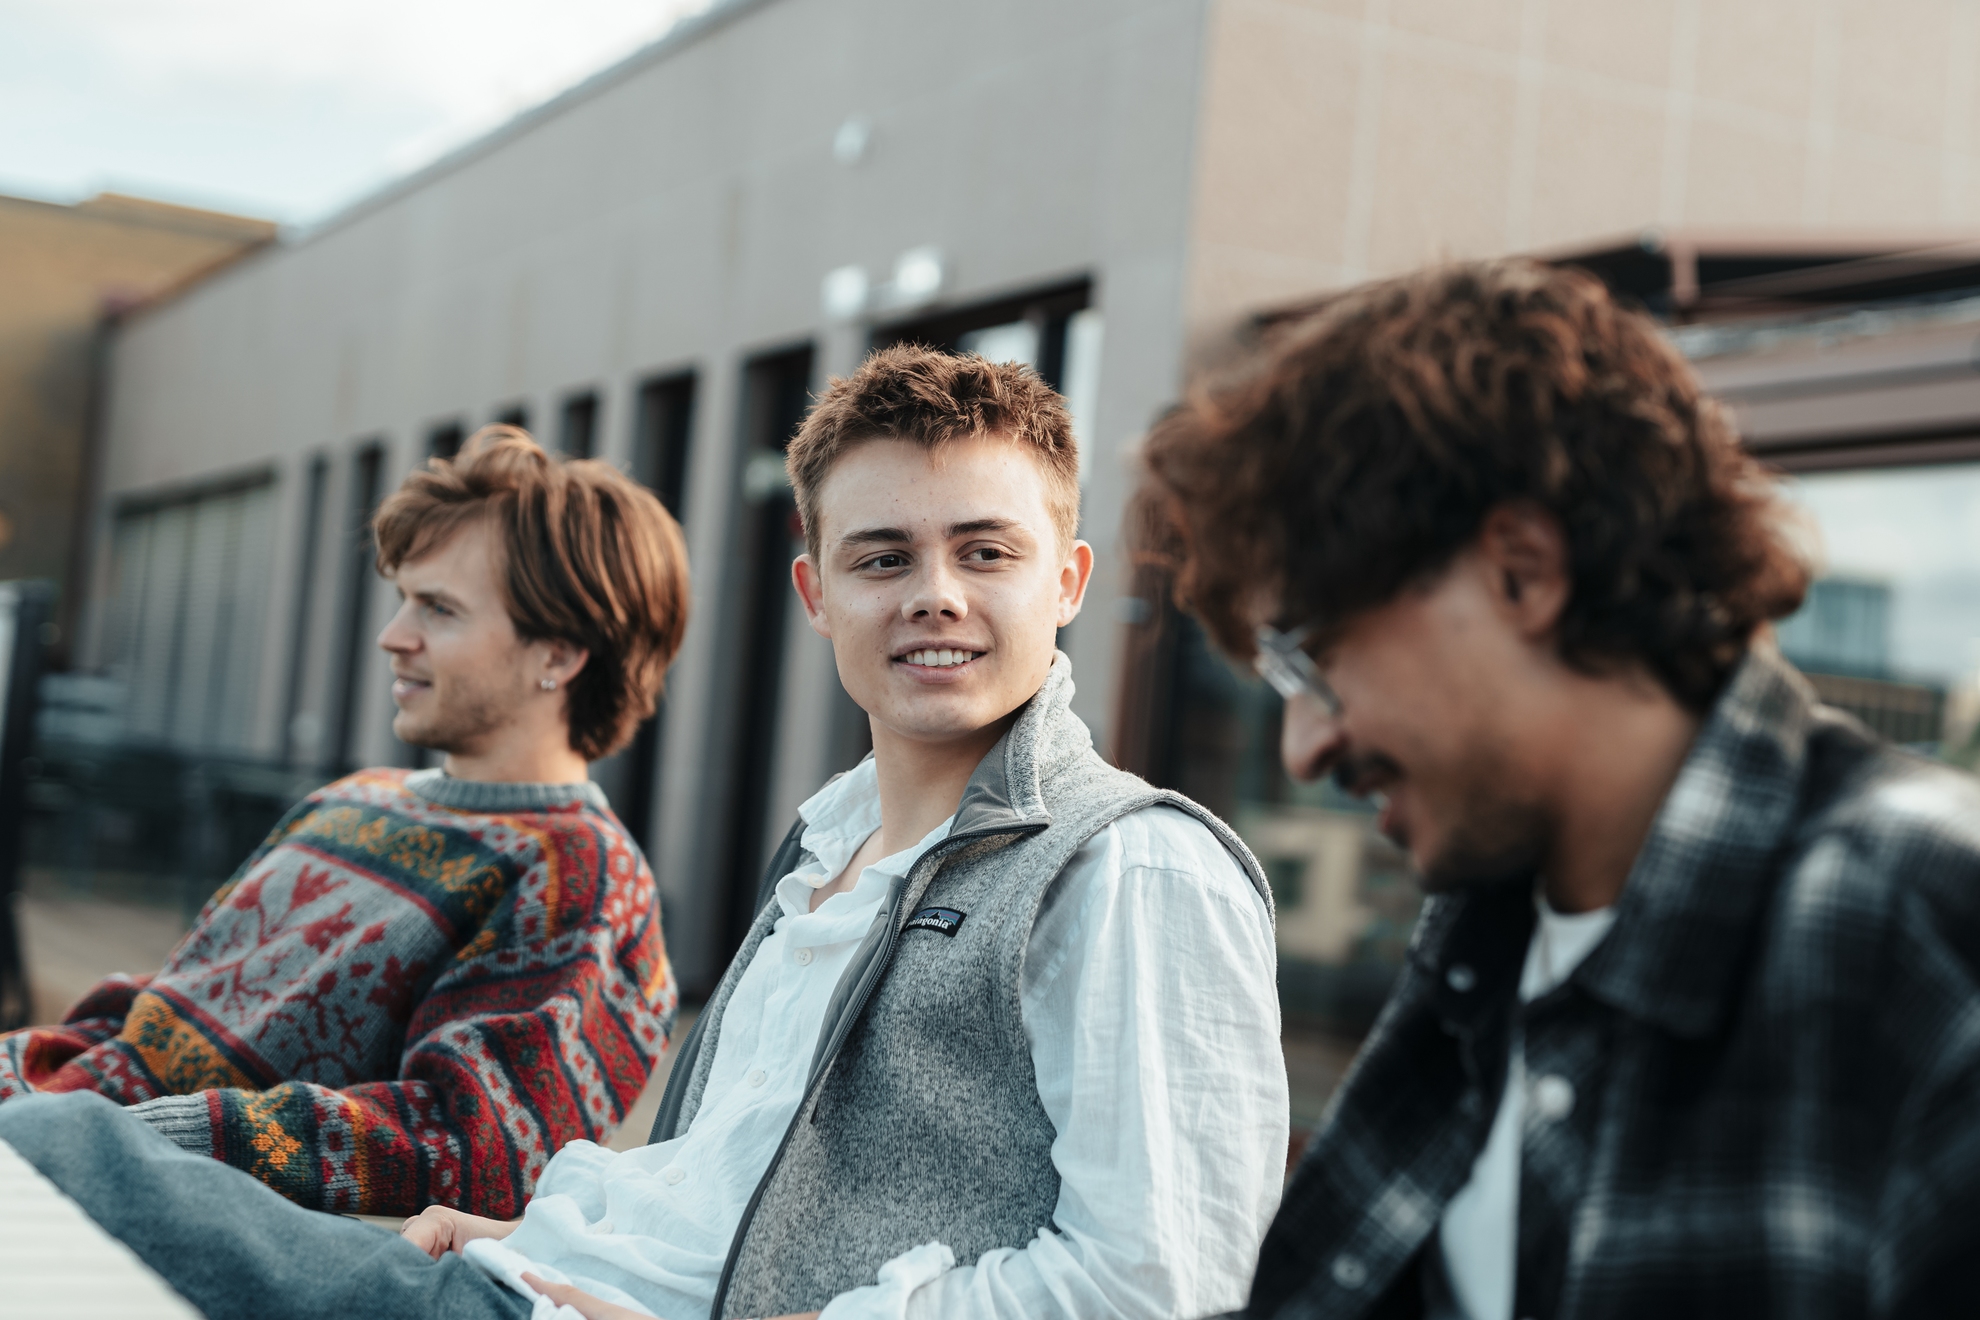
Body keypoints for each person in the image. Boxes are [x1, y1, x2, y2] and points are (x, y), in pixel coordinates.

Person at [0, 348, 1287, 1320]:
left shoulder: (1132, 865)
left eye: (986, 552)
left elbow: (1164, 1283)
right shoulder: (823, 858)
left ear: (1067, 581)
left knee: (45, 1156)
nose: (934, 595)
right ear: (817, 594)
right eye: (883, 558)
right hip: (508, 1273)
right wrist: (528, 1227)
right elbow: (716, 1191)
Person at [1135, 260, 1980, 1319]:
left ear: (1523, 569)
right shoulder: (1484, 947)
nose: (1303, 748)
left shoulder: (1922, 926)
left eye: (1315, 657)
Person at [0, 426, 689, 1219]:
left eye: (439, 609)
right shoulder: (353, 799)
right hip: (53, 1131)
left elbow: (477, 1152)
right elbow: (161, 1011)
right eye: (405, 598)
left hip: (117, 1200)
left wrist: (115, 1139)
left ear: (559, 655)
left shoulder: (579, 876)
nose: (394, 637)